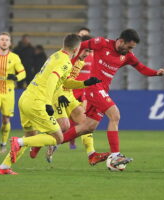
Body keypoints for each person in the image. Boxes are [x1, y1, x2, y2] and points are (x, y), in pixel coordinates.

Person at [0, 34, 101, 175]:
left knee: (30, 137)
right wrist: (48, 103)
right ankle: (18, 142)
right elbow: (52, 79)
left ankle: (4, 167)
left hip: (26, 98)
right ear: (76, 49)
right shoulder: (65, 62)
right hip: (37, 101)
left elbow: (63, 82)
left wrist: (84, 83)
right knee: (58, 138)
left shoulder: (56, 55)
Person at [59, 29, 164, 162]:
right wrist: (69, 63)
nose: (129, 50)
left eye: (131, 48)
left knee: (88, 126)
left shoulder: (127, 56)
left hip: (103, 90)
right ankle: (115, 156)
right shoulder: (101, 43)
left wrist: (156, 73)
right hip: (93, 86)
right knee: (115, 115)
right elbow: (79, 46)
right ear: (121, 41)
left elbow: (141, 68)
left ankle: (54, 142)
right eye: (128, 47)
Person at [30, 35, 110, 165]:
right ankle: (36, 144)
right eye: (86, 50)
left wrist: (85, 85)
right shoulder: (67, 59)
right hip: (57, 95)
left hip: (68, 94)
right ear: (78, 48)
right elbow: (55, 78)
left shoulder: (81, 61)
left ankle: (91, 155)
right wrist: (60, 92)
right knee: (63, 126)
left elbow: (69, 81)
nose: (88, 54)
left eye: (90, 51)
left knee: (86, 124)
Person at [68, 27, 91, 149]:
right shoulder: (72, 55)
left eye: (86, 36)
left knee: (84, 118)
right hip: (71, 88)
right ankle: (67, 140)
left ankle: (89, 149)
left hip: (85, 90)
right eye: (81, 36)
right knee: (69, 119)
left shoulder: (91, 55)